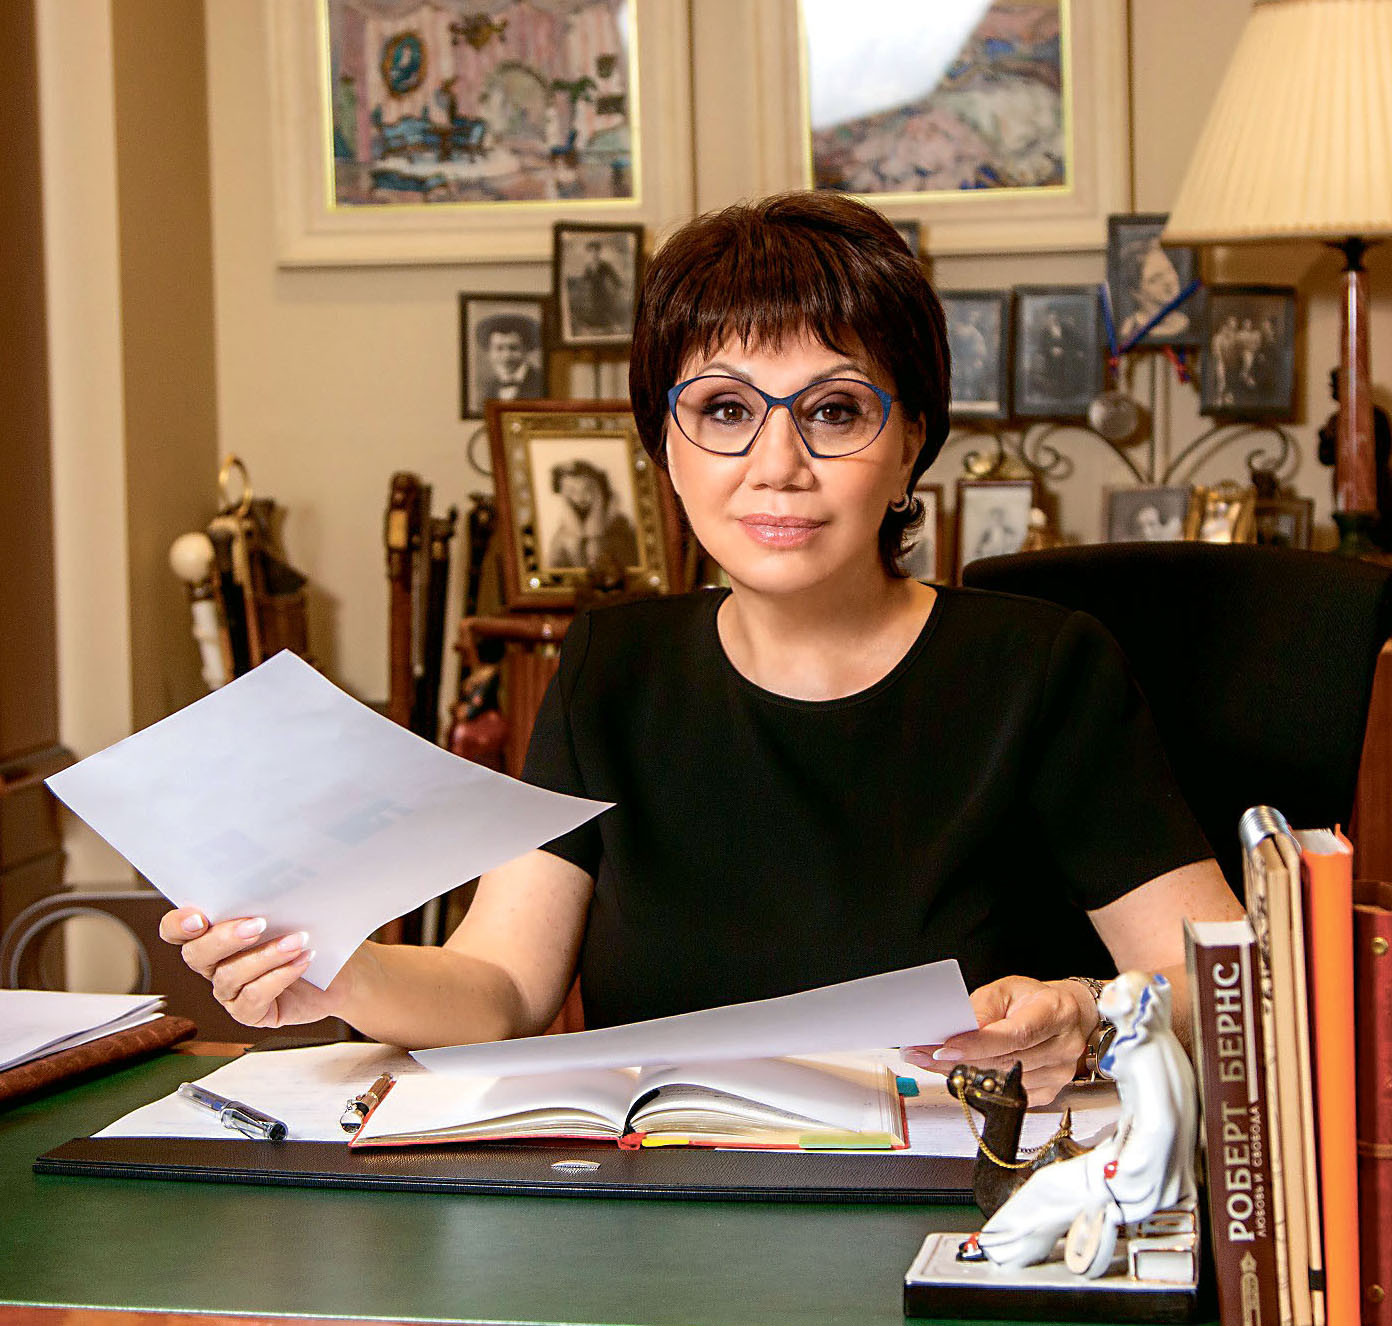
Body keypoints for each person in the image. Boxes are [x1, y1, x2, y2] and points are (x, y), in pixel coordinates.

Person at [159, 192, 1242, 1107]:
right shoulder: (610, 670)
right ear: (664, 447)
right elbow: (502, 987)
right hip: (665, 1209)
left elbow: (1220, 976)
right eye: (724, 410)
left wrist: (1087, 1014)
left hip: (950, 1206)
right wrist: (340, 975)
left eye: (834, 411)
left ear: (913, 439)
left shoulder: (1042, 667)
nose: (777, 464)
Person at [545, 459, 639, 571]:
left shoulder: (620, 527)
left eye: (587, 489)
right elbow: (554, 570)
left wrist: (595, 536)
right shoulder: (562, 535)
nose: (580, 496)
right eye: (572, 491)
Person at [1115, 236, 1188, 345]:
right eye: (1156, 278)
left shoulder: (1188, 322)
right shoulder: (1128, 332)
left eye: (1169, 270)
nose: (1169, 281)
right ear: (1136, 292)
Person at [476, 313, 545, 403]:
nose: (506, 356)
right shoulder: (489, 388)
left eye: (513, 348)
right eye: (499, 348)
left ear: (526, 350)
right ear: (490, 352)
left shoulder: (542, 382)